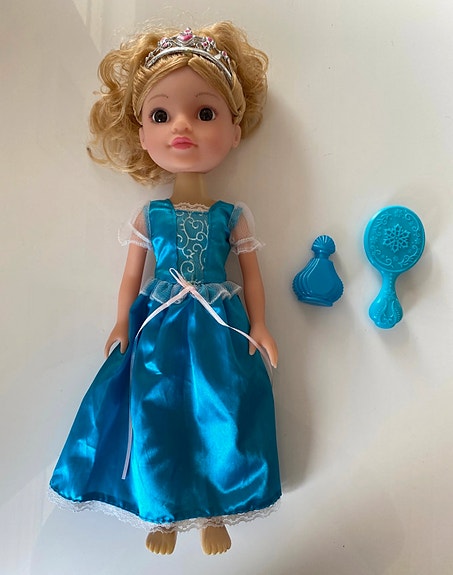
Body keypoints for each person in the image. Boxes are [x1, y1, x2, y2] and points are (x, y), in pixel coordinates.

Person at [49, 21, 281, 556]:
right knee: (156, 411)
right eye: (160, 115)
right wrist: (120, 322)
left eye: (205, 113)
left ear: (235, 131)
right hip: (157, 323)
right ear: (141, 133)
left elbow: (251, 276)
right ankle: (161, 512)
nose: (182, 126)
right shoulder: (149, 215)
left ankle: (217, 509)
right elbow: (131, 276)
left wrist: (261, 324)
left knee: (221, 412)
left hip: (219, 327)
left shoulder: (232, 215)